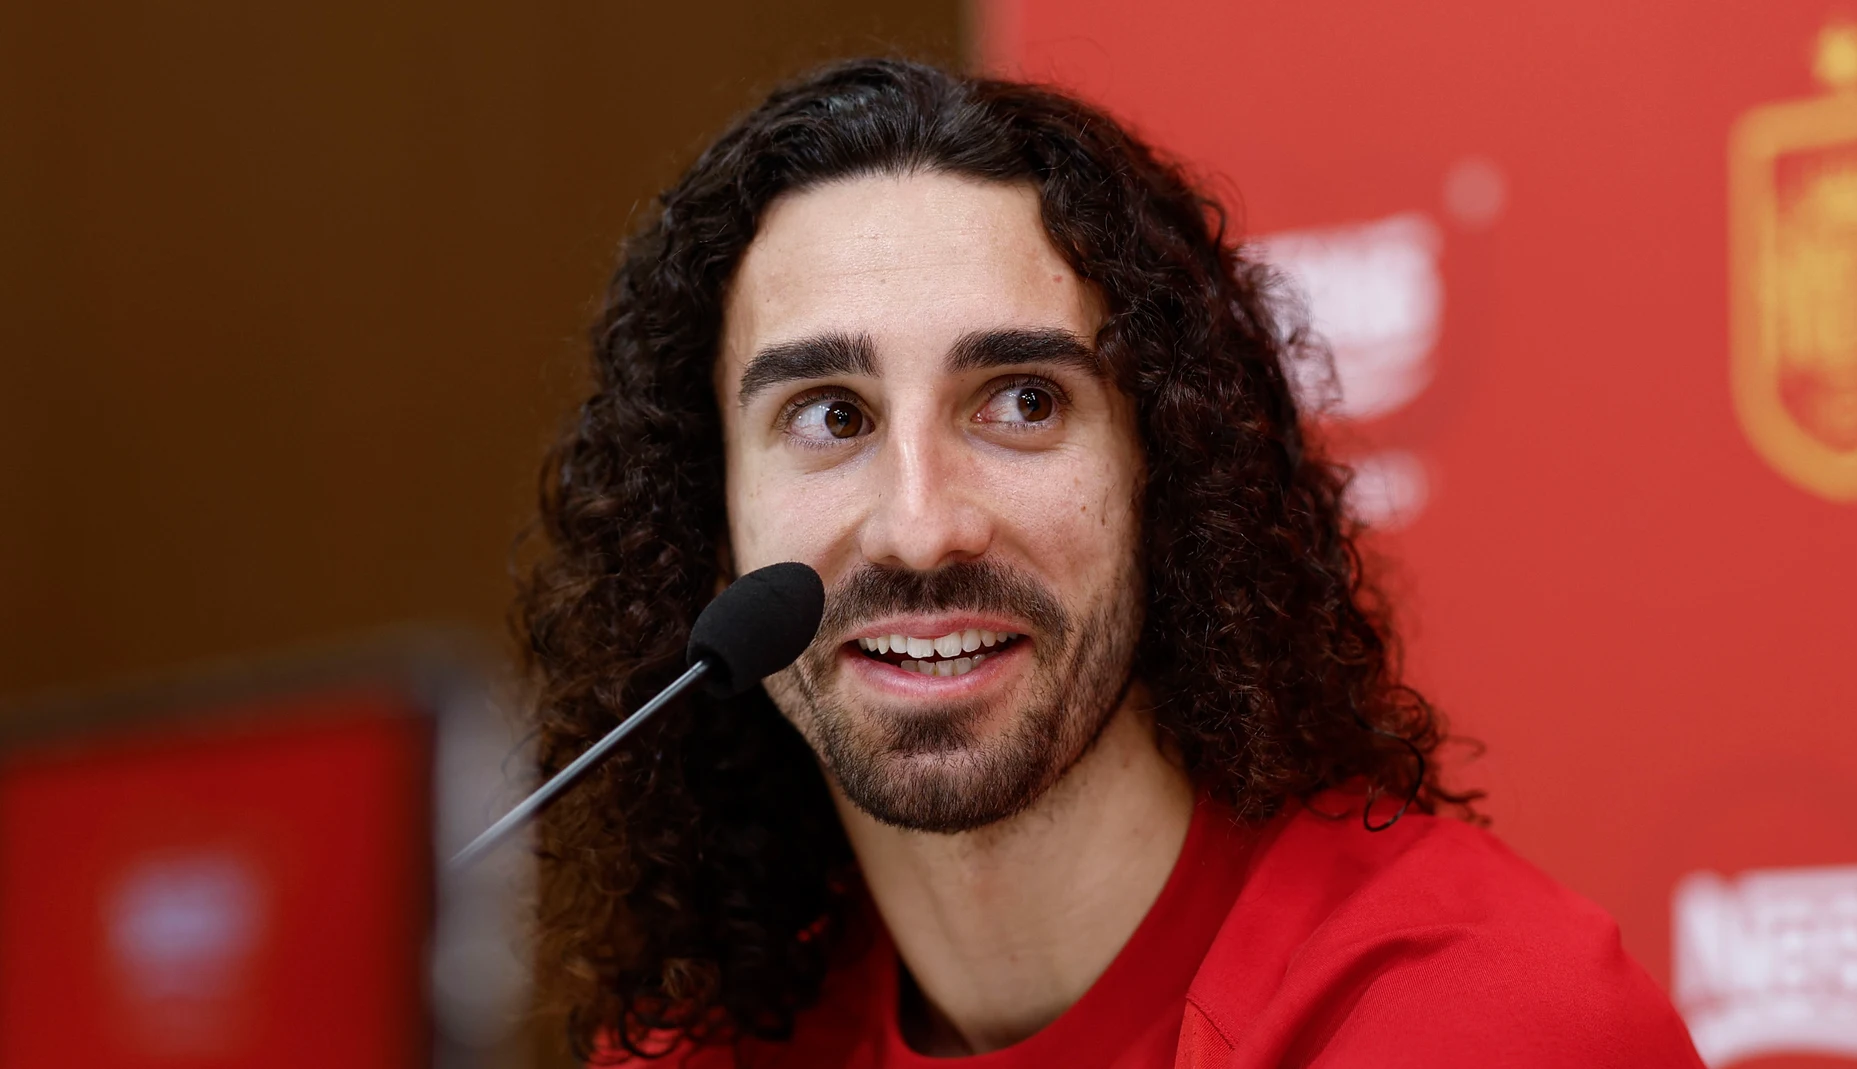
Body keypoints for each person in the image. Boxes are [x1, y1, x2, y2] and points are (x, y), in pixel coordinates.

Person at [518, 58, 1704, 1067]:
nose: (922, 528)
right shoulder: (695, 1050)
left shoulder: (1471, 1024)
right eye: (831, 418)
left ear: (1164, 475)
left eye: (1021, 401)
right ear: (709, 513)